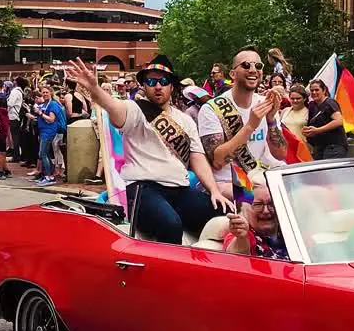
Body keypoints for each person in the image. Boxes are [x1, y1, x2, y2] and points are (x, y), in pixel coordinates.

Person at [67, 54, 234, 245]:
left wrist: (214, 190)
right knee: (170, 225)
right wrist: (95, 89)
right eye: (151, 81)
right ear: (144, 85)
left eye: (163, 81)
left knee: (224, 215)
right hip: (143, 189)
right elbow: (116, 108)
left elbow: (196, 157)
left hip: (179, 189)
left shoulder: (185, 120)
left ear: (172, 85)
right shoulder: (136, 110)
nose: (157, 86)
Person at [197, 47, 289, 198]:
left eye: (258, 66)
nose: (253, 70)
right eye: (246, 65)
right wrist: (250, 126)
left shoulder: (265, 103)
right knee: (260, 199)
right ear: (232, 74)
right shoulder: (211, 109)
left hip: (259, 178)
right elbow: (218, 161)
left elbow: (280, 154)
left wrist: (271, 120)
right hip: (227, 184)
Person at [224, 177, 290, 260]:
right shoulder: (242, 234)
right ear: (245, 208)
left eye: (271, 203)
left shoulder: (290, 229)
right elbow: (235, 258)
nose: (266, 211)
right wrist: (241, 238)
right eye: (258, 205)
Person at [303, 80, 347, 159]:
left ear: (324, 90)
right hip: (320, 147)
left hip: (334, 147)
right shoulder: (313, 105)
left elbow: (338, 121)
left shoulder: (330, 103)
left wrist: (317, 130)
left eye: (317, 90)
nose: (314, 92)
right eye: (312, 90)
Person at [33, 85, 64, 186]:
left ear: (50, 93)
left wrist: (40, 113)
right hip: (43, 130)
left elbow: (51, 119)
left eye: (47, 92)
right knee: (44, 153)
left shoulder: (53, 105)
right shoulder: (44, 103)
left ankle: (49, 176)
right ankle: (49, 174)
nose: (45, 94)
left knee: (43, 153)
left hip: (49, 131)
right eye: (43, 92)